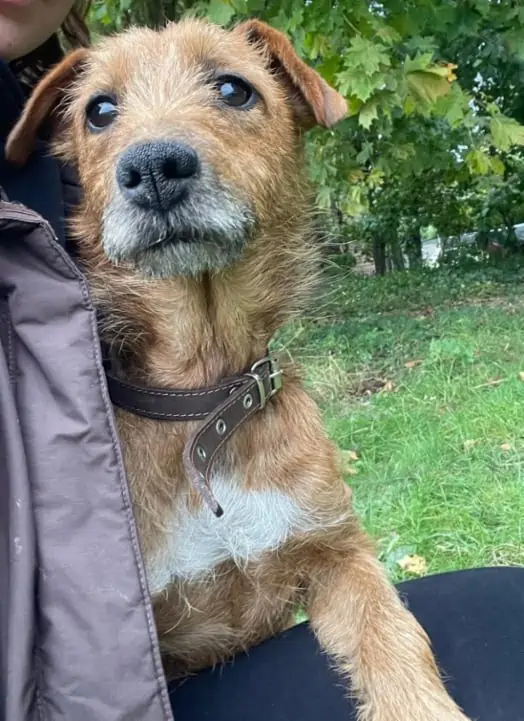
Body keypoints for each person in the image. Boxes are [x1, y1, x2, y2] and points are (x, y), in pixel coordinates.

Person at [0, 2, 523, 720]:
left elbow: (335, 561)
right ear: (75, 160)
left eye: (231, 91)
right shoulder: (83, 457)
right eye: (103, 113)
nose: (151, 157)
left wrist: (405, 687)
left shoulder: (290, 431)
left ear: (293, 125)